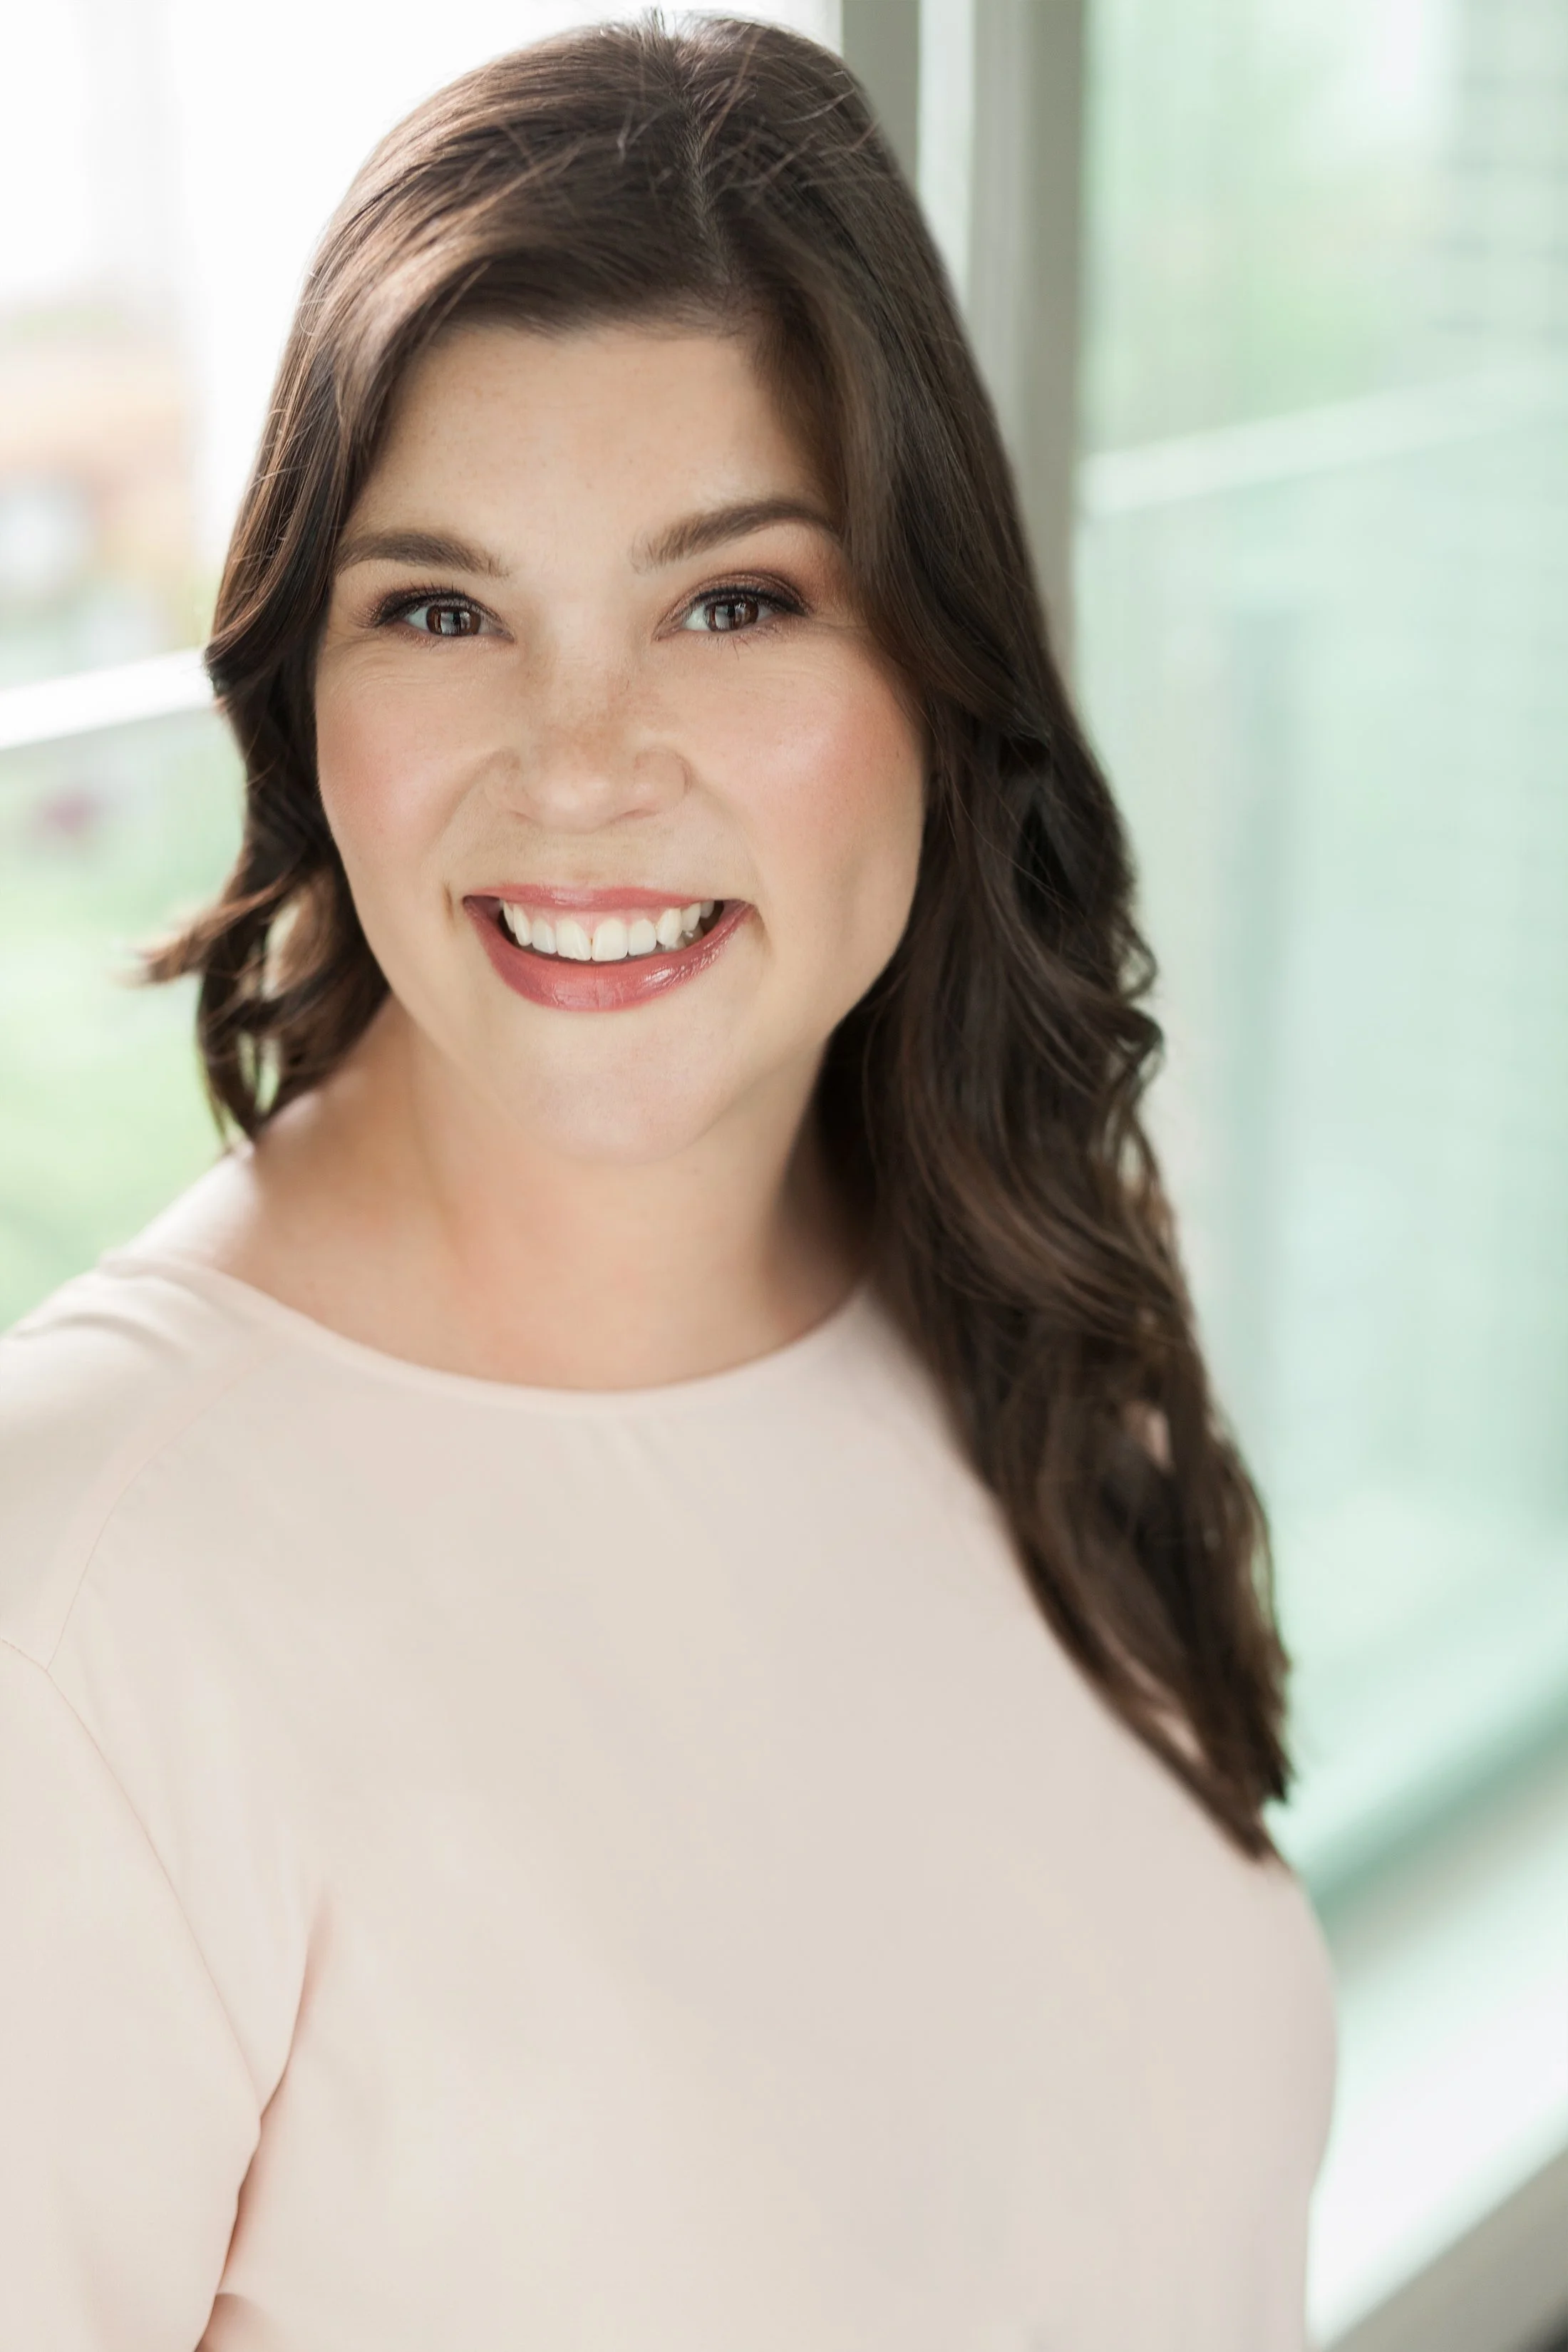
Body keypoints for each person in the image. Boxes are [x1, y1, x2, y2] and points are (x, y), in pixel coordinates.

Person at [0, 19, 1334, 2349]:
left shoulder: (1021, 1274)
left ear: (937, 659)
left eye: (733, 601)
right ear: (305, 696)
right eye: (441, 608)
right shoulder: (85, 1598)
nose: (583, 767)